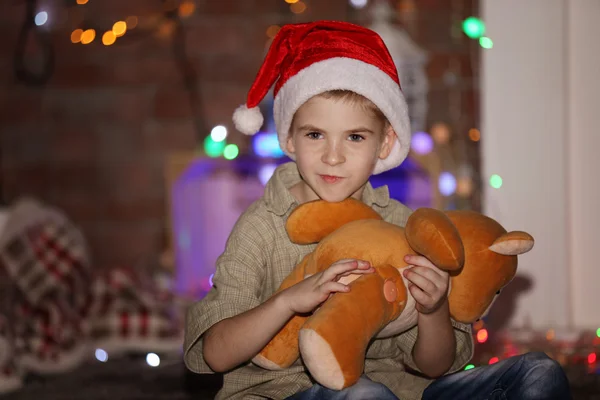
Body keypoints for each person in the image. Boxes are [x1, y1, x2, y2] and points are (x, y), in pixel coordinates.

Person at [184, 21, 571, 400]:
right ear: (289, 137)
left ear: (385, 144)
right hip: (286, 393)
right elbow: (216, 354)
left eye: (355, 137)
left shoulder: (401, 224)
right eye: (315, 134)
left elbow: (434, 367)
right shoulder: (261, 226)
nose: (332, 156)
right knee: (365, 393)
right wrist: (286, 301)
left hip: (405, 391)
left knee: (539, 373)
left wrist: (433, 308)